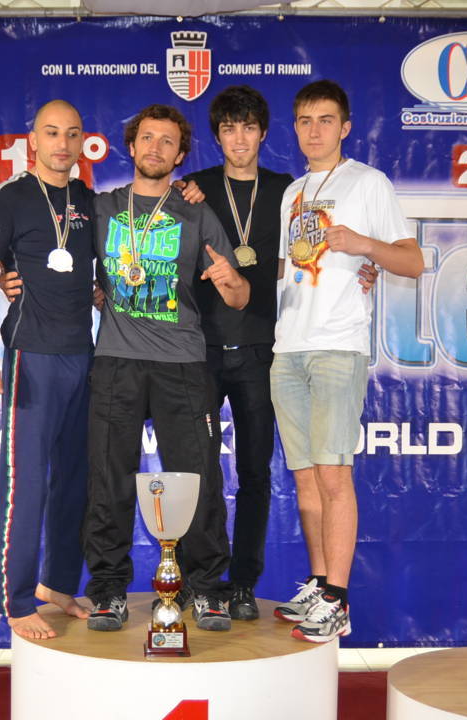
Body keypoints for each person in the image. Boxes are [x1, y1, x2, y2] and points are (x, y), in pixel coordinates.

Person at [84, 103, 249, 633]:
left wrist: (230, 281)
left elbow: (240, 296)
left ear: (180, 156)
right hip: (116, 361)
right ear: (131, 146)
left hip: (183, 364)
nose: (155, 148)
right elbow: (61, 264)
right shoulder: (101, 208)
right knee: (107, 478)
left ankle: (208, 590)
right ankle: (108, 591)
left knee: (198, 480)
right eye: (148, 138)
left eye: (168, 142)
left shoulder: (196, 213)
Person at [271, 80, 424, 642]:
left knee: (335, 475)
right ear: (295, 127)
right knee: (306, 477)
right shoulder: (293, 193)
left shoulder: (368, 182)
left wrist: (364, 246)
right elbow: (290, 268)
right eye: (305, 121)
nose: (314, 130)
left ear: (346, 127)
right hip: (288, 347)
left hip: (338, 345)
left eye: (326, 120)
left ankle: (337, 600)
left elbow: (413, 262)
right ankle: (318, 584)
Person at [0, 100, 96, 640]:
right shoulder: (10, 198)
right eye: (51, 133)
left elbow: (98, 270)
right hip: (31, 356)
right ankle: (17, 600)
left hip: (83, 355)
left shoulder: (89, 200)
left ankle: (58, 585)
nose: (62, 144)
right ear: (34, 141)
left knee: (76, 481)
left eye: (72, 133)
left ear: (82, 141)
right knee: (27, 483)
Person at [179, 86, 292, 621]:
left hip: (260, 348)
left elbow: (311, 252)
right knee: (198, 473)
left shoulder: (287, 191)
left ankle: (243, 582)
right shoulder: (194, 188)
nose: (239, 138)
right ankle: (198, 578)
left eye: (248, 127)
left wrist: (360, 269)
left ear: (263, 133)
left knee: (254, 473)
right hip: (200, 348)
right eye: (229, 128)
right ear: (217, 135)